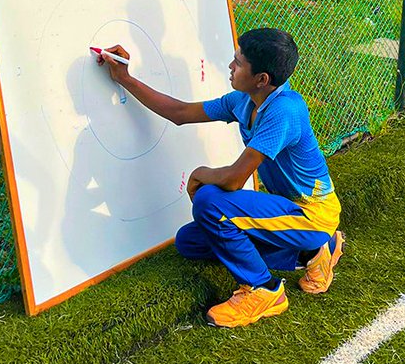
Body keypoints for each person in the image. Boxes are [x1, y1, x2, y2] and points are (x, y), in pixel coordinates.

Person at [96, 27, 344, 328]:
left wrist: (201, 175)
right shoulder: (244, 100)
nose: (230, 66)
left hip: (312, 215)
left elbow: (234, 179)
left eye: (238, 63)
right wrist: (125, 79)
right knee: (190, 242)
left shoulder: (285, 111)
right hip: (286, 212)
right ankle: (313, 252)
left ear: (261, 79)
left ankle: (264, 290)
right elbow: (179, 113)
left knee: (210, 202)